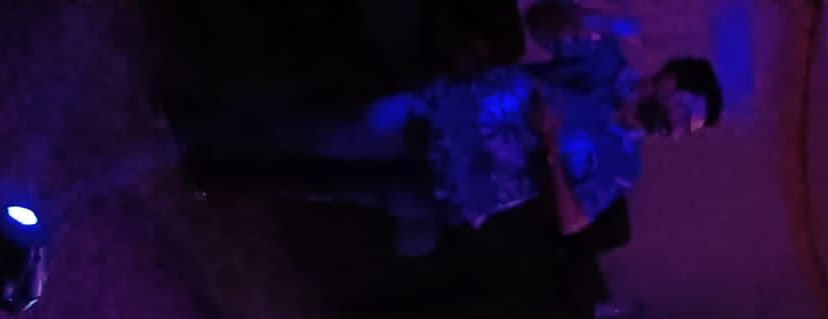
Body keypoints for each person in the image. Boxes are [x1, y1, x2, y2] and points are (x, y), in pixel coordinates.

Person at [169, 11, 723, 255]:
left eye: (687, 130)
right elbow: (540, 22)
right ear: (669, 79)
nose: (677, 129)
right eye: (685, 112)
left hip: (454, 192)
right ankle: (200, 119)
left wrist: (551, 148)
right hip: (439, 116)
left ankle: (216, 175)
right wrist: (598, 21)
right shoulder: (605, 66)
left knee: (331, 185)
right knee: (325, 133)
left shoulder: (624, 166)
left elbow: (571, 222)